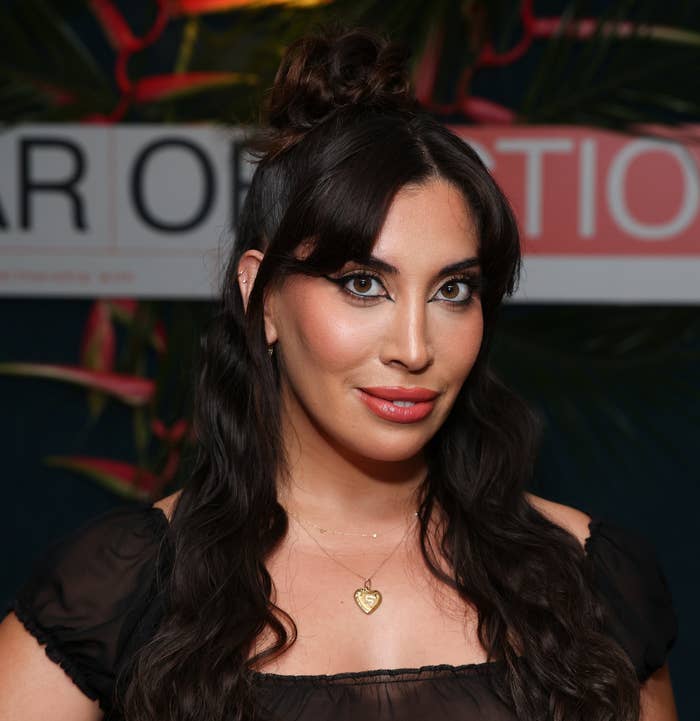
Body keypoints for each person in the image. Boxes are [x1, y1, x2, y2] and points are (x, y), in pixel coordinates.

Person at [0, 27, 678, 721]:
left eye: (452, 291)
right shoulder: (115, 594)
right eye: (361, 284)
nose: (414, 347)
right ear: (260, 296)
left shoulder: (592, 580)